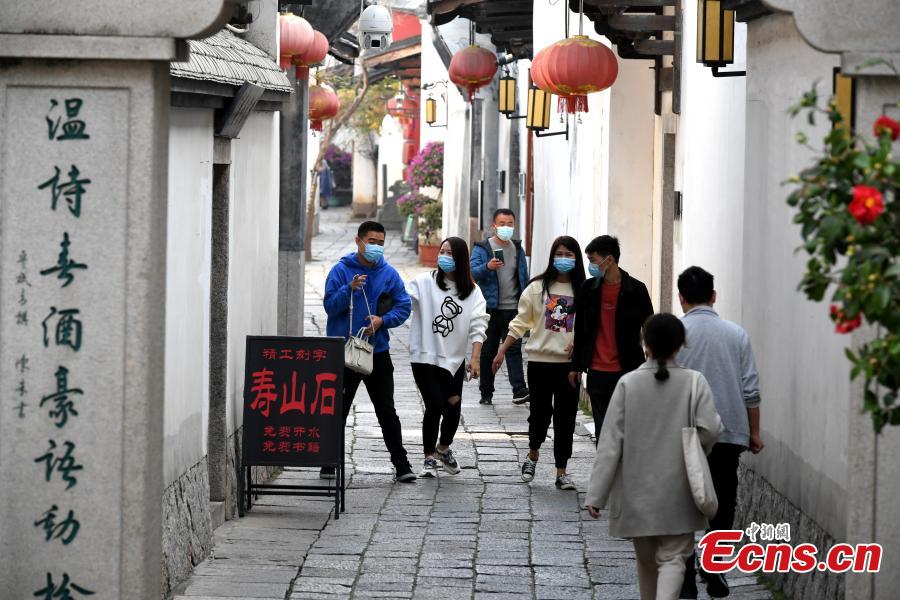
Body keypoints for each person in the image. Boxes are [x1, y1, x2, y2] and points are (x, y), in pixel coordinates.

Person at [586, 314, 723, 600]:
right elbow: (710, 428)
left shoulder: (628, 383)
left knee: (646, 564)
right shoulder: (694, 382)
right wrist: (695, 448)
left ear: (644, 343)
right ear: (680, 344)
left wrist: (596, 495)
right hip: (680, 490)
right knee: (674, 558)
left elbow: (610, 443)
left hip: (637, 493)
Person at [676, 266, 764, 599]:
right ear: (714, 296)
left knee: (682, 501)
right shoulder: (736, 334)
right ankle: (715, 569)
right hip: (729, 430)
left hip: (685, 432)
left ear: (681, 298)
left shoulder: (676, 331)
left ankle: (684, 575)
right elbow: (750, 388)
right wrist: (754, 432)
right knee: (724, 502)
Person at [323, 221, 416, 482]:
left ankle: (402, 465)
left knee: (387, 409)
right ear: (358, 241)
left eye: (380, 243)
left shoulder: (389, 274)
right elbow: (330, 307)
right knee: (337, 409)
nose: (376, 247)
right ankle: (328, 461)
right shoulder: (341, 271)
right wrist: (348, 289)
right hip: (345, 351)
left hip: (378, 351)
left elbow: (404, 306)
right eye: (371, 241)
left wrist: (382, 321)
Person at [492, 236, 586, 490]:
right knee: (540, 414)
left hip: (569, 366)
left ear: (576, 259)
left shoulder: (585, 291)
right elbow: (520, 322)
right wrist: (502, 350)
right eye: (560, 254)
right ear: (552, 256)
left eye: (569, 255)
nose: (564, 259)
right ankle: (532, 454)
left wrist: (581, 348)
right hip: (539, 361)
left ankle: (561, 471)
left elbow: (591, 327)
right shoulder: (537, 288)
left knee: (566, 418)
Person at [407, 237, 489, 478]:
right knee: (434, 404)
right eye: (441, 251)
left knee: (453, 407)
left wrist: (475, 358)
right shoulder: (424, 282)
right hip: (424, 356)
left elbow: (478, 325)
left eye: (450, 253)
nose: (444, 256)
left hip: (453, 360)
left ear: (461, 258)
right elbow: (402, 301)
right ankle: (428, 458)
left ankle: (443, 448)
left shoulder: (472, 292)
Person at [570, 235, 654, 442]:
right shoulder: (588, 290)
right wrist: (576, 366)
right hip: (597, 371)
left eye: (593, 260)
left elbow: (650, 326)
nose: (591, 265)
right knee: (603, 430)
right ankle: (606, 472)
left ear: (609, 260)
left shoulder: (636, 289)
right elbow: (580, 330)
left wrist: (652, 357)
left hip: (628, 369)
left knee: (627, 428)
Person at [470, 208, 530, 406]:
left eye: (510, 224)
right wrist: (487, 267)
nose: (506, 227)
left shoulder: (517, 248)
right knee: (488, 351)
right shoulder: (482, 248)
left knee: (513, 350)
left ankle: (519, 390)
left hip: (513, 308)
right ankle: (486, 392)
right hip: (490, 309)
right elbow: (471, 274)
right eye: (502, 224)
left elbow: (523, 277)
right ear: (494, 226)